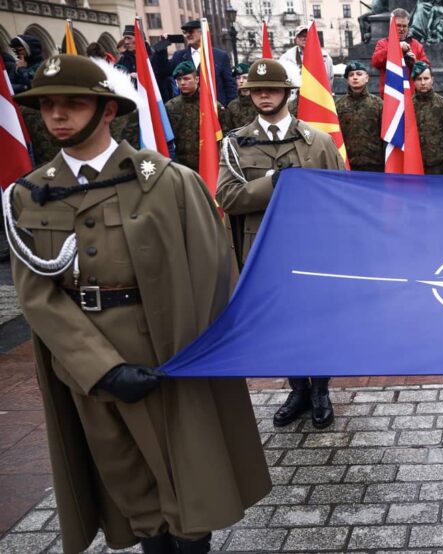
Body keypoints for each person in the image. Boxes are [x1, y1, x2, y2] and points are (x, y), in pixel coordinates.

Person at [4, 53, 270, 554]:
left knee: (190, 481)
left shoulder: (168, 181)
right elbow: (36, 294)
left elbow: (216, 271)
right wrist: (100, 368)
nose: (57, 115)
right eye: (46, 106)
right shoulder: (29, 195)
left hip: (168, 355)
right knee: (127, 483)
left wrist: (197, 353)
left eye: (73, 103)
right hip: (86, 363)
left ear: (108, 110)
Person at [217, 59, 344, 429]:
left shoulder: (318, 142)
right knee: (280, 321)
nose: (264, 95)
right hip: (264, 249)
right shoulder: (236, 144)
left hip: (313, 247)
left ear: (287, 92)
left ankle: (320, 388)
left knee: (316, 318)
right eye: (257, 91)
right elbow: (227, 197)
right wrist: (273, 182)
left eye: (271, 89)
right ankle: (298, 387)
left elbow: (339, 196)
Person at [164, 61, 225, 172]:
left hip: (208, 164)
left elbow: (223, 137)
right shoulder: (170, 107)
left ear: (196, 79)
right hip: (181, 166)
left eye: (186, 79)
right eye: (179, 80)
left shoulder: (212, 106)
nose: (182, 83)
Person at [168, 20, 237, 103]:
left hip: (215, 108)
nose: (188, 35)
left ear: (201, 33)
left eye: (191, 31)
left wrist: (228, 109)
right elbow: (163, 74)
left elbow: (229, 85)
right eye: (185, 32)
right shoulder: (178, 56)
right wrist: (161, 49)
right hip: (189, 109)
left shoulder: (220, 56)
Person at [334, 61, 385, 172]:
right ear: (347, 80)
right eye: (351, 75)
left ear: (367, 78)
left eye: (359, 74)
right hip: (348, 165)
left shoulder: (379, 104)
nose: (355, 78)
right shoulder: (338, 105)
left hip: (375, 166)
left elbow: (385, 136)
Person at [410, 62, 443, 175]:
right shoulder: (407, 106)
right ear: (414, 81)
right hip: (413, 165)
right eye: (419, 79)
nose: (423, 83)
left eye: (426, 78)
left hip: (438, 166)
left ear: (432, 80)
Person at [371, 8, 429, 95]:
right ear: (392, 25)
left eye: (404, 26)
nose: (402, 29)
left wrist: (416, 62)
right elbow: (375, 62)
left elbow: (426, 67)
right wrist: (395, 48)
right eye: (398, 25)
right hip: (391, 95)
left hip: (412, 95)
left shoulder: (416, 45)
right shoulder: (383, 43)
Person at [279, 25, 335, 94]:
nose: (304, 38)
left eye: (307, 35)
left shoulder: (325, 57)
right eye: (301, 36)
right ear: (296, 39)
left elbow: (330, 78)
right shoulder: (286, 57)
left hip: (318, 96)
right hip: (295, 98)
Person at [224, 64, 257, 132]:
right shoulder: (232, 106)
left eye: (245, 78)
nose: (241, 81)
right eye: (238, 78)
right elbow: (228, 130)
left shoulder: (258, 102)